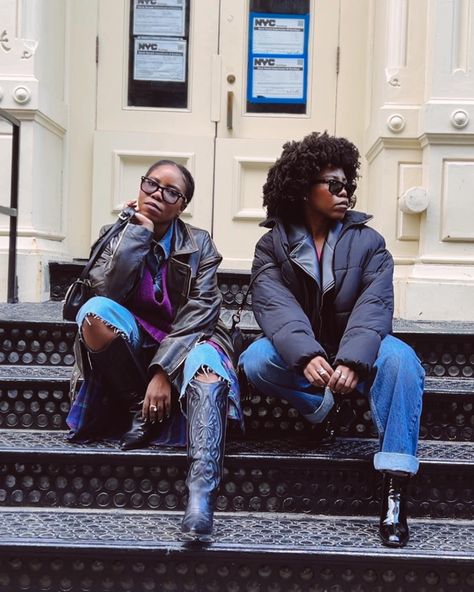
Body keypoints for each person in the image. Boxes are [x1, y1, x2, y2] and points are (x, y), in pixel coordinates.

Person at [240, 132, 424, 548]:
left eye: (348, 186)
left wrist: (352, 360)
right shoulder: (271, 245)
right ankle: (322, 408)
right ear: (304, 189)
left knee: (402, 362)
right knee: (255, 360)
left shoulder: (370, 242)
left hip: (360, 348)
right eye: (334, 185)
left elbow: (375, 305)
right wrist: (306, 355)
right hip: (308, 355)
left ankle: (394, 489)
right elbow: (274, 306)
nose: (345, 194)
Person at [66, 159, 242, 542]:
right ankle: (139, 409)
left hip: (187, 337)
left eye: (171, 192)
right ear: (141, 186)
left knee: (208, 370)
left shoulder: (201, 243)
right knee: (93, 313)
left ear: (182, 205)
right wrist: (136, 236)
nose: (157, 195)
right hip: (133, 341)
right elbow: (105, 293)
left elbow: (202, 311)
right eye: (151, 185)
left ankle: (200, 500)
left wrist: (162, 371)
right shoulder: (115, 233)